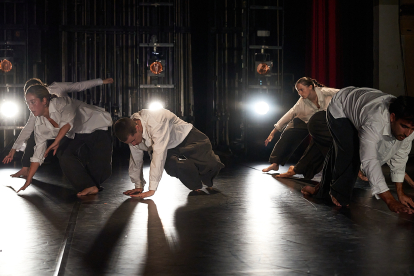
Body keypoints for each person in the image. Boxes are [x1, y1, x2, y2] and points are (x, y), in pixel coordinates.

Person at [301, 87, 414, 214]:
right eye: (404, 127)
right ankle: (337, 192)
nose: (408, 133)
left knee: (341, 149)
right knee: (351, 150)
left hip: (361, 106)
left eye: (412, 129)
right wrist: (390, 200)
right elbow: (370, 160)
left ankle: (319, 190)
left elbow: (399, 159)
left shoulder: (409, 131)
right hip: (341, 107)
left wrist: (400, 194)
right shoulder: (375, 121)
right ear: (392, 117)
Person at [2, 77, 114, 178]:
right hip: (61, 131)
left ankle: (88, 176)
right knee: (35, 136)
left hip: (76, 126)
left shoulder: (56, 88)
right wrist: (13, 149)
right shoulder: (37, 106)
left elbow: (78, 86)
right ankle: (26, 168)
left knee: (84, 154)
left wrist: (101, 81)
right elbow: (28, 127)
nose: (30, 104)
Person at [113, 108, 224, 199]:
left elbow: (158, 155)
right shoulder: (130, 130)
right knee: (171, 165)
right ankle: (196, 185)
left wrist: (152, 189)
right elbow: (135, 159)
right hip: (168, 147)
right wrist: (138, 185)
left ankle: (206, 175)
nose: (133, 144)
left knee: (211, 164)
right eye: (129, 143)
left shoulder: (155, 120)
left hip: (185, 137)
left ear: (137, 127)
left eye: (133, 141)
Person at [263, 77, 339, 180]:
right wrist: (273, 131)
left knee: (318, 143)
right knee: (288, 133)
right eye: (298, 90)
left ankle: (303, 169)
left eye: (301, 89)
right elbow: (290, 114)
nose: (299, 93)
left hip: (320, 124)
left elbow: (345, 94)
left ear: (311, 87)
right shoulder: (302, 102)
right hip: (303, 121)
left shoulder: (326, 93)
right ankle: (275, 163)